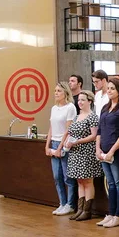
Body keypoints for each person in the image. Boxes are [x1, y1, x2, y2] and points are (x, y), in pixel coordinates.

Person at [95, 78, 119, 228]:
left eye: (112, 88)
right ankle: (110, 213)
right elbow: (99, 129)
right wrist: (98, 148)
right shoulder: (105, 107)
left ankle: (118, 215)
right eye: (108, 88)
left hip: (116, 151)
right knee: (110, 183)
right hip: (103, 150)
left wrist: (111, 151)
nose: (109, 91)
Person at [66, 90, 103, 221]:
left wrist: (78, 141)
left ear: (90, 101)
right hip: (75, 152)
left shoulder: (92, 117)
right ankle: (80, 208)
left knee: (87, 181)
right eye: (79, 100)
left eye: (83, 100)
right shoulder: (76, 116)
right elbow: (70, 132)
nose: (80, 102)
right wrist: (68, 142)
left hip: (86, 152)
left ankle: (87, 210)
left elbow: (94, 135)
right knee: (79, 181)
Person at [45, 82, 78, 216]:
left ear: (65, 92)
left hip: (64, 144)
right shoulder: (54, 108)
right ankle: (62, 203)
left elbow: (68, 130)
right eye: (55, 90)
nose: (56, 93)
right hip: (54, 143)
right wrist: (47, 145)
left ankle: (70, 204)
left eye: (59, 91)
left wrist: (59, 147)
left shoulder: (70, 107)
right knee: (56, 176)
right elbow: (51, 127)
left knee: (67, 177)